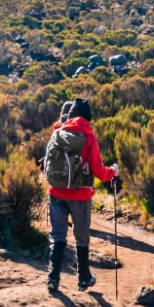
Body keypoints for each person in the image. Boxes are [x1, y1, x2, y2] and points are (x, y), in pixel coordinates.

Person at [44, 97, 119, 293]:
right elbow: (98, 170)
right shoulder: (88, 136)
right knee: (82, 237)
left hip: (56, 192)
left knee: (57, 235)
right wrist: (113, 172)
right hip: (80, 196)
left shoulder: (58, 132)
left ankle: (53, 278)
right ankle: (83, 279)